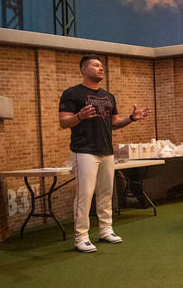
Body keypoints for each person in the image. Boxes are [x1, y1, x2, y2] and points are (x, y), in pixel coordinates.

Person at [57, 55, 150, 253]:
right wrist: (79, 116)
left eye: (102, 66)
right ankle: (81, 238)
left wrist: (132, 118)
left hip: (107, 151)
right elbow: (64, 122)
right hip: (83, 151)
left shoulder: (109, 97)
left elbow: (114, 123)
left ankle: (105, 230)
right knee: (85, 195)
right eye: (96, 65)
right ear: (83, 69)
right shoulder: (72, 93)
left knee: (106, 193)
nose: (101, 68)